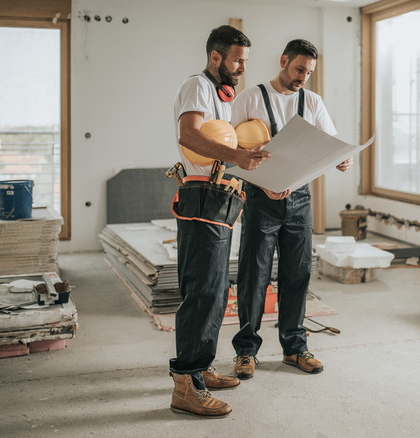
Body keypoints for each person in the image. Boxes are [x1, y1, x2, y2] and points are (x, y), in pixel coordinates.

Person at [230, 39, 352, 379]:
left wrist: (343, 158)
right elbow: (229, 150)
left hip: (300, 200)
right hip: (260, 199)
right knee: (254, 276)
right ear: (284, 61)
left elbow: (331, 143)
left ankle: (295, 348)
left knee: (297, 274)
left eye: (309, 72)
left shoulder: (311, 101)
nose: (303, 77)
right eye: (299, 69)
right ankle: (245, 351)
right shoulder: (250, 98)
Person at [169, 25, 271, 418]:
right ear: (216, 57)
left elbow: (223, 141)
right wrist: (238, 159)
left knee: (216, 290)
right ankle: (186, 384)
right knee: (202, 292)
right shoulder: (197, 85)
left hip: (222, 195)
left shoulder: (222, 95)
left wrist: (247, 154)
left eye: (245, 60)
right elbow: (190, 135)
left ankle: (202, 368)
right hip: (201, 195)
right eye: (237, 60)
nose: (243, 67)